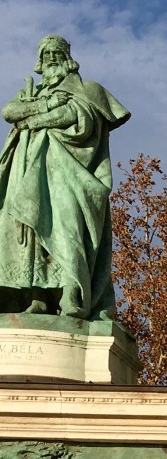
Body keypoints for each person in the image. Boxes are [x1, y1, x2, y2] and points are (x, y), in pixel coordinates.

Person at [0, 35, 129, 318]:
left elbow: (77, 118)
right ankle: (37, 297)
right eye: (45, 54)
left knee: (68, 230)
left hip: (68, 173)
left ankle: (72, 295)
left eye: (56, 53)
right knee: (32, 234)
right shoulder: (34, 93)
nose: (50, 58)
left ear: (68, 58)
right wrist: (43, 106)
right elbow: (9, 112)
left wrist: (31, 121)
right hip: (27, 170)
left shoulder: (87, 89)